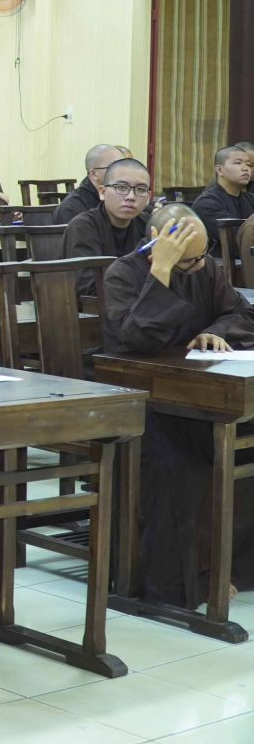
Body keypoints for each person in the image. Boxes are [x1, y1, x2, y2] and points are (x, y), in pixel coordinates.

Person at [103, 206, 254, 612]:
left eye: (203, 257)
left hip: (203, 394)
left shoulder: (204, 268)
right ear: (157, 244)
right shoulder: (123, 274)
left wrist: (214, 332)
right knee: (175, 459)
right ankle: (179, 582)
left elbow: (240, 311)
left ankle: (232, 568)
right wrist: (162, 272)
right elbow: (137, 339)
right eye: (189, 260)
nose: (199, 266)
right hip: (146, 400)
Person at [62, 158, 151, 296]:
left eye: (140, 189)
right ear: (102, 192)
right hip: (98, 305)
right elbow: (87, 285)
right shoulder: (83, 227)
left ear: (148, 197)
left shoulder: (148, 225)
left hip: (141, 301)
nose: (131, 196)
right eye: (121, 188)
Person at [191, 145, 254, 255]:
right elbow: (239, 239)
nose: (246, 168)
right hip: (222, 263)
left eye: (248, 165)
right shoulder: (206, 203)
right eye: (238, 163)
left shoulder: (250, 199)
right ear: (219, 170)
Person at [54, 144, 124, 224]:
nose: (123, 172)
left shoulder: (123, 198)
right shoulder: (72, 207)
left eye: (124, 166)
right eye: (114, 167)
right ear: (94, 174)